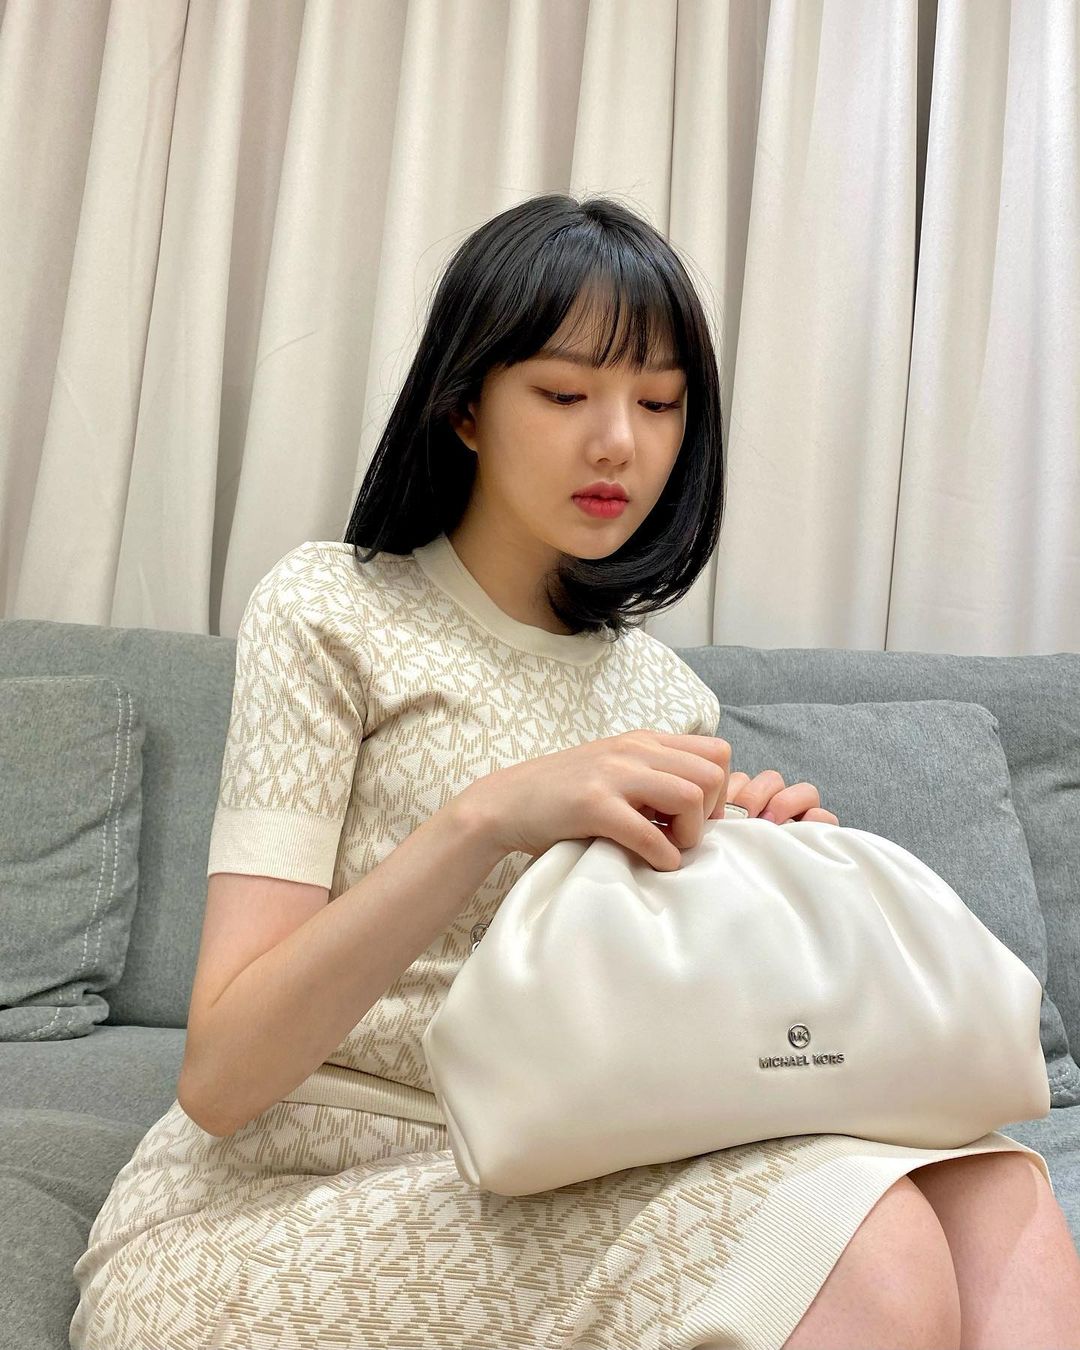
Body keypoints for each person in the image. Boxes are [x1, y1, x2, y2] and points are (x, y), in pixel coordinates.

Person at [68, 193, 1067, 1350]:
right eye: (563, 394)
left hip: (553, 1172)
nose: (619, 444)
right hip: (282, 1197)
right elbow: (223, 1076)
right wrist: (487, 817)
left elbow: (660, 1049)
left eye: (659, 403)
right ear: (466, 407)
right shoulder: (329, 611)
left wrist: (753, 876)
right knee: (872, 1248)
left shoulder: (667, 700)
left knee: (999, 1192)